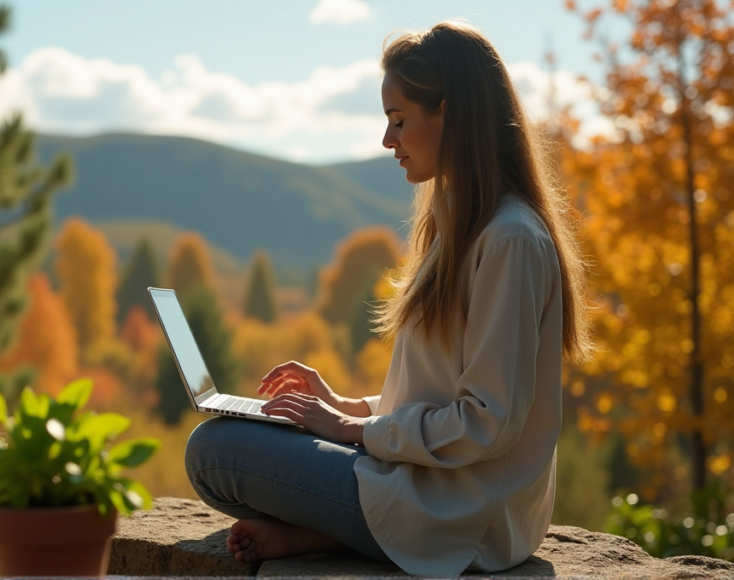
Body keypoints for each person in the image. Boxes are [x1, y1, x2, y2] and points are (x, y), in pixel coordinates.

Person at [183, 20, 594, 577]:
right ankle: (324, 533)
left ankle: (334, 532)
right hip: (426, 487)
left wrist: (349, 431)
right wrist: (346, 408)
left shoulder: (510, 239)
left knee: (214, 453)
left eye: (399, 121)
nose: (387, 141)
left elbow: (487, 422)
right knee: (242, 433)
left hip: (461, 515)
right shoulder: (460, 229)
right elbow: (440, 394)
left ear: (450, 112)